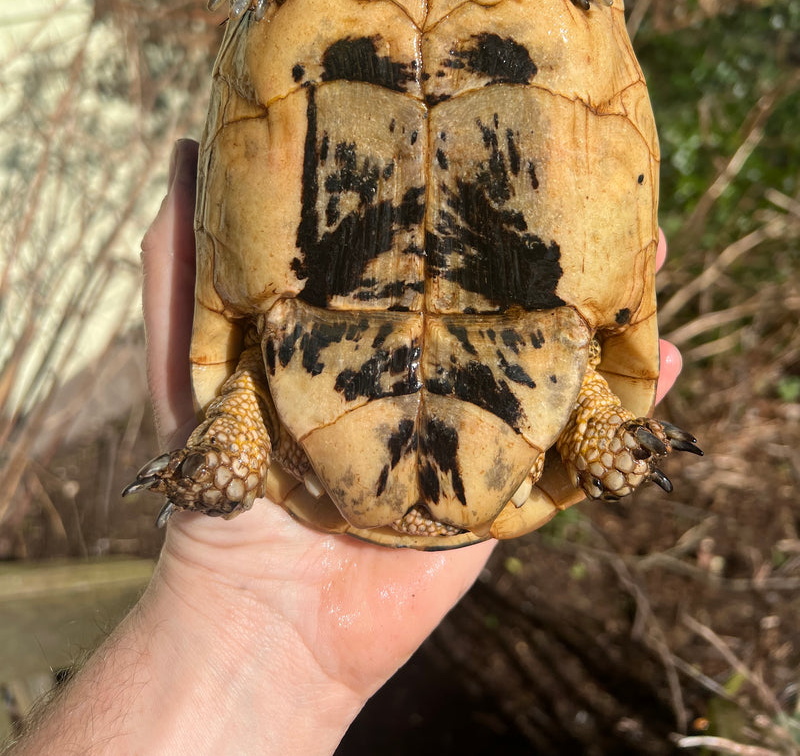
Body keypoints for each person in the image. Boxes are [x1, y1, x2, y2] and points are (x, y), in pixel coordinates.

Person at [9, 139, 682, 755]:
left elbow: (251, 351)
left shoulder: (267, 383)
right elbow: (596, 331)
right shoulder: (568, 378)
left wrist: (225, 585)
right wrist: (605, 437)